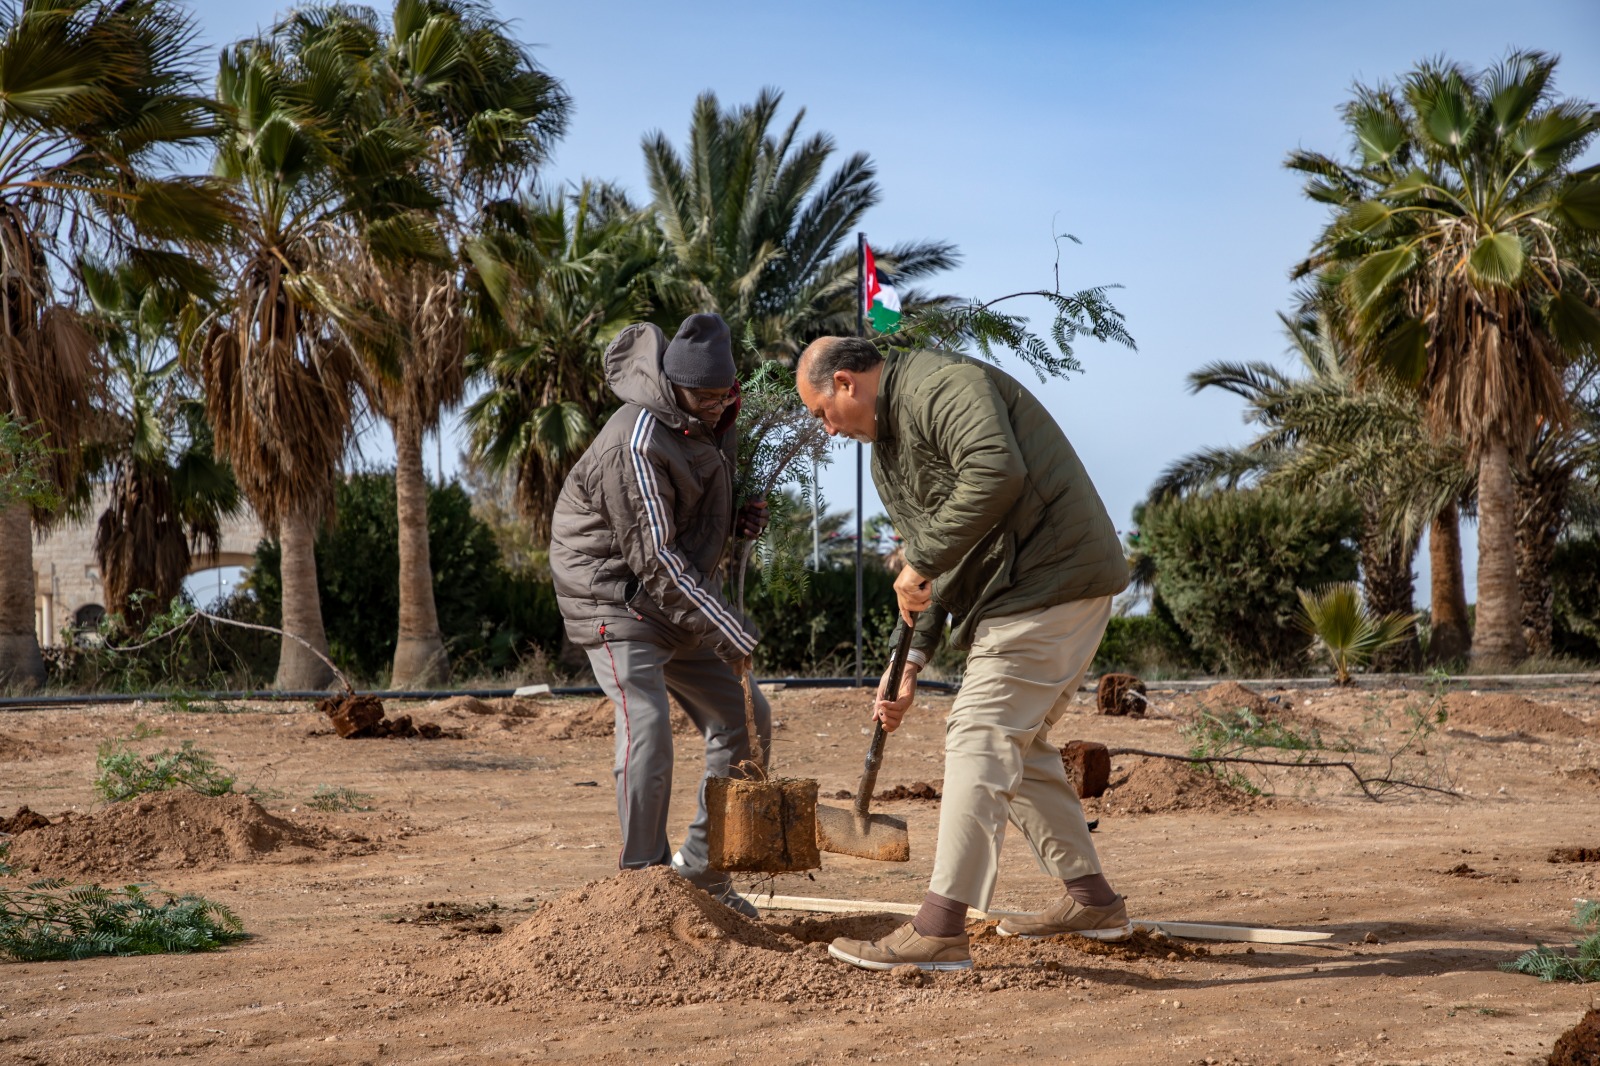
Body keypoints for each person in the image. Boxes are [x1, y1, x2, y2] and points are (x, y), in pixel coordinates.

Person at [794, 335, 1132, 971]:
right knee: (1018, 746)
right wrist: (910, 663)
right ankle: (1093, 903)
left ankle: (941, 929)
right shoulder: (888, 453)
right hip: (1026, 589)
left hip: (1050, 578)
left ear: (844, 383)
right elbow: (937, 568)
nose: (827, 430)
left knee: (980, 730)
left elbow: (997, 472)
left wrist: (921, 559)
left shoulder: (941, 385)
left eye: (821, 413)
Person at [550, 312, 770, 917]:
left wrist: (737, 520)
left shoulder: (717, 418)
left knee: (745, 718)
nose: (716, 406)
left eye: (724, 395)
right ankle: (643, 886)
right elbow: (655, 559)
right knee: (646, 721)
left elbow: (688, 515)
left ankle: (705, 876)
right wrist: (727, 629)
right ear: (675, 386)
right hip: (613, 596)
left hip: (675, 597)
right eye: (705, 398)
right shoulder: (637, 438)